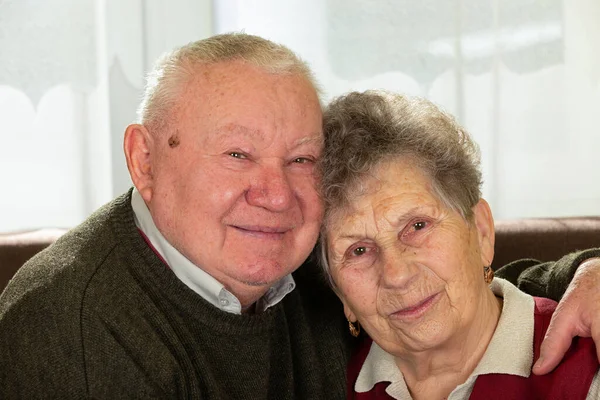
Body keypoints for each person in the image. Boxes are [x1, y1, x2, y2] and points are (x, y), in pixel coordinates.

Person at [0, 33, 598, 399]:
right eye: (237, 154)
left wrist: (587, 271)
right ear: (144, 159)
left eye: (300, 158)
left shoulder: (302, 253)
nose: (277, 194)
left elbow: (454, 291)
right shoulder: (71, 329)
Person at [318, 90, 600, 399]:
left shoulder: (587, 367)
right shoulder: (324, 382)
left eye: (417, 226)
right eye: (358, 250)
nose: (396, 275)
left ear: (480, 231)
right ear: (339, 292)